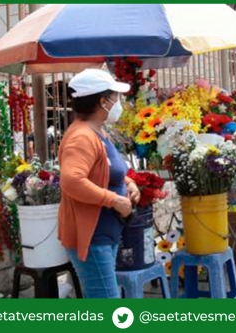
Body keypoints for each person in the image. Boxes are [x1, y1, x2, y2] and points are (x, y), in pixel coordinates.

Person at [58, 69, 141, 298]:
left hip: (105, 233)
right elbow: (72, 180)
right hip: (93, 236)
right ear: (102, 102)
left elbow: (106, 170)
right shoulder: (82, 137)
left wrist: (128, 182)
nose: (118, 103)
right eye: (115, 98)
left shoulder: (99, 132)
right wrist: (113, 199)